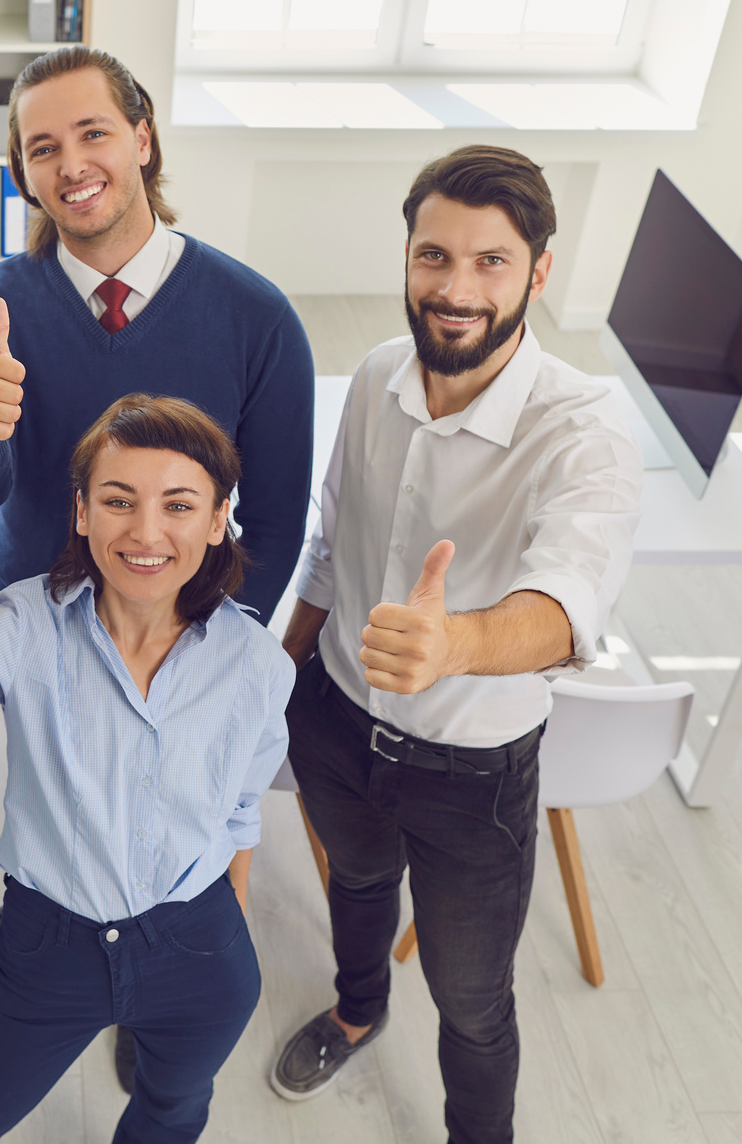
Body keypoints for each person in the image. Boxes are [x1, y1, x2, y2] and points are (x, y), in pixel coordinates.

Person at [0, 45, 315, 1084]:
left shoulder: (255, 315)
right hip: (48, 630)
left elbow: (275, 518)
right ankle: (43, 927)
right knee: (53, 794)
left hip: (188, 638)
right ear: (22, 174)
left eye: (94, 132)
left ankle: (145, 978)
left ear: (143, 139)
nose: (73, 163)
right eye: (41, 148)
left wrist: (208, 651)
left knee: (166, 814)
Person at [268, 146, 644, 1143]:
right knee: (352, 881)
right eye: (434, 257)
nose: (456, 288)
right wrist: (282, 669)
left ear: (538, 272)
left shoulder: (585, 427)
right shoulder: (378, 376)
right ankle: (357, 1009)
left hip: (470, 774)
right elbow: (328, 541)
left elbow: (565, 606)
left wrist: (459, 643)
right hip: (336, 721)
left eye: (489, 262)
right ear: (405, 257)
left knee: (472, 1001)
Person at [0, 394, 293, 1144]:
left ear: (216, 520)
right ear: (81, 512)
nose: (146, 532)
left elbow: (240, 809)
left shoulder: (259, 664)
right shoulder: (24, 626)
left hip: (201, 950)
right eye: (118, 500)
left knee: (173, 1111)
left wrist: (224, 923)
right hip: (49, 950)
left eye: (178, 505)